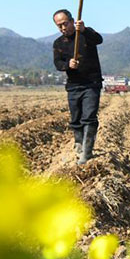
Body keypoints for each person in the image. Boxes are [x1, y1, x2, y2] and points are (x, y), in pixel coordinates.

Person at [52, 9, 103, 164]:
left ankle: (86, 154)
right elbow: (58, 63)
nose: (63, 28)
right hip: (73, 85)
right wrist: (68, 65)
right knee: (76, 119)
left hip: (91, 84)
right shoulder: (58, 43)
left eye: (65, 24)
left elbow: (99, 40)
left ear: (72, 21)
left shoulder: (85, 35)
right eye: (59, 25)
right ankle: (79, 145)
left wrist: (85, 30)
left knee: (89, 117)